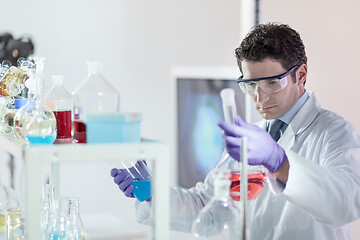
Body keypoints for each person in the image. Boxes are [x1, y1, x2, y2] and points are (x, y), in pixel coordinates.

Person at [111, 22, 360, 239]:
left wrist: (279, 161)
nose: (259, 97)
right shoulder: (250, 140)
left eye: (272, 83)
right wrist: (153, 195)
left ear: (301, 74)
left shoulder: (334, 133)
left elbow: (347, 203)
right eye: (250, 84)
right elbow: (207, 209)